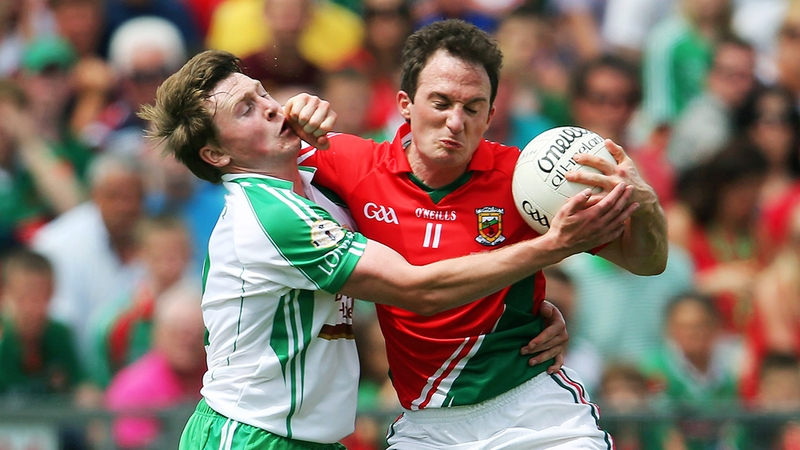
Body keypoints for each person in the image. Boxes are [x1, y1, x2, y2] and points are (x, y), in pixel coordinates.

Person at [139, 48, 635, 448]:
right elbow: (418, 288)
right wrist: (553, 247)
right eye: (246, 109)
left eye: (261, 92)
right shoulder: (269, 217)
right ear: (216, 154)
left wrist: (518, 306)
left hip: (312, 438)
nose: (271, 106)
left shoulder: (312, 181)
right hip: (249, 434)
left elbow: (419, 232)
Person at [303, 18, 668, 449]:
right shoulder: (352, 162)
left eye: (472, 107)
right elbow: (243, 149)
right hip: (428, 424)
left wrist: (646, 205)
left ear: (491, 114)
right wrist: (293, 114)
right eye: (440, 103)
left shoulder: (529, 180)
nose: (455, 122)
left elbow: (646, 261)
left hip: (533, 409)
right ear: (405, 103)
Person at [105, 279, 206, 449]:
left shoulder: (218, 377)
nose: (188, 342)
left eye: (196, 333)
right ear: (158, 333)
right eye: (180, 332)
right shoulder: (134, 386)